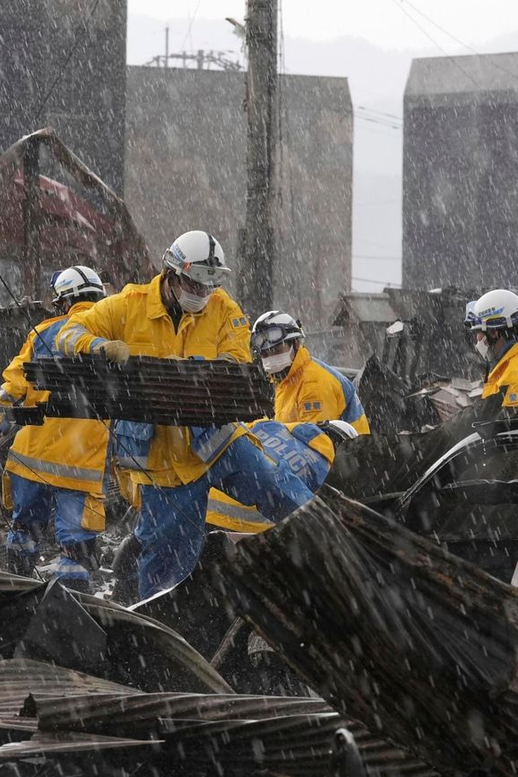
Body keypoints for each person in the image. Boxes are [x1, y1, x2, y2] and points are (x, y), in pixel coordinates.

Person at [54, 229, 314, 598]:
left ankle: (330, 549)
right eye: (195, 286)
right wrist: (97, 345)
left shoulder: (224, 310)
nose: (202, 296)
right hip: (164, 462)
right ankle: (161, 633)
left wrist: (189, 373)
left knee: (283, 491)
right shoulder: (128, 305)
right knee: (169, 562)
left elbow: (236, 362)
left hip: (218, 440)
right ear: (172, 276)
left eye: (208, 288)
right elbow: (67, 334)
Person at [0, 264, 110, 583]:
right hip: (80, 466)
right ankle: (73, 613)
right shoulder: (110, 334)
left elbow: (10, 390)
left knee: (24, 533)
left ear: (64, 301)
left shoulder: (42, 334)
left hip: (30, 460)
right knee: (77, 547)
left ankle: (17, 592)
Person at [207, 309, 369, 531]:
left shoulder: (314, 385)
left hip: (347, 471)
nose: (271, 357)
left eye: (277, 349)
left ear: (295, 344)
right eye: (265, 353)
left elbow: (316, 447)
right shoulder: (285, 380)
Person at [465, 289, 518, 410]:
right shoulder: (505, 367)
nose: (476, 339)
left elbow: (507, 426)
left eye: (478, 332)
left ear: (493, 332)